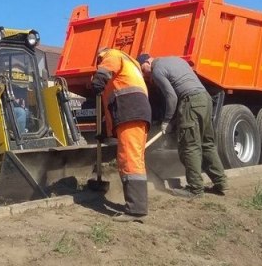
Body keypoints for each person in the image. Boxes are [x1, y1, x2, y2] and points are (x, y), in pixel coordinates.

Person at [137, 54, 228, 198]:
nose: (145, 74)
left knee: (189, 146)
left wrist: (166, 120)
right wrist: (175, 118)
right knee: (207, 144)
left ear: (148, 62)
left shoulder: (157, 70)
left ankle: (195, 189)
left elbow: (171, 96)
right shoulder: (176, 60)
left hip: (191, 101)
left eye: (143, 69)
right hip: (205, 99)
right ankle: (221, 183)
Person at [91, 48, 151, 222]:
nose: (100, 64)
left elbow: (105, 70)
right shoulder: (130, 66)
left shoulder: (112, 55)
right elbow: (113, 104)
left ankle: (135, 210)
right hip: (137, 112)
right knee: (136, 159)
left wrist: (99, 78)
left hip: (130, 111)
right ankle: (137, 205)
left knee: (129, 159)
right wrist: (105, 133)